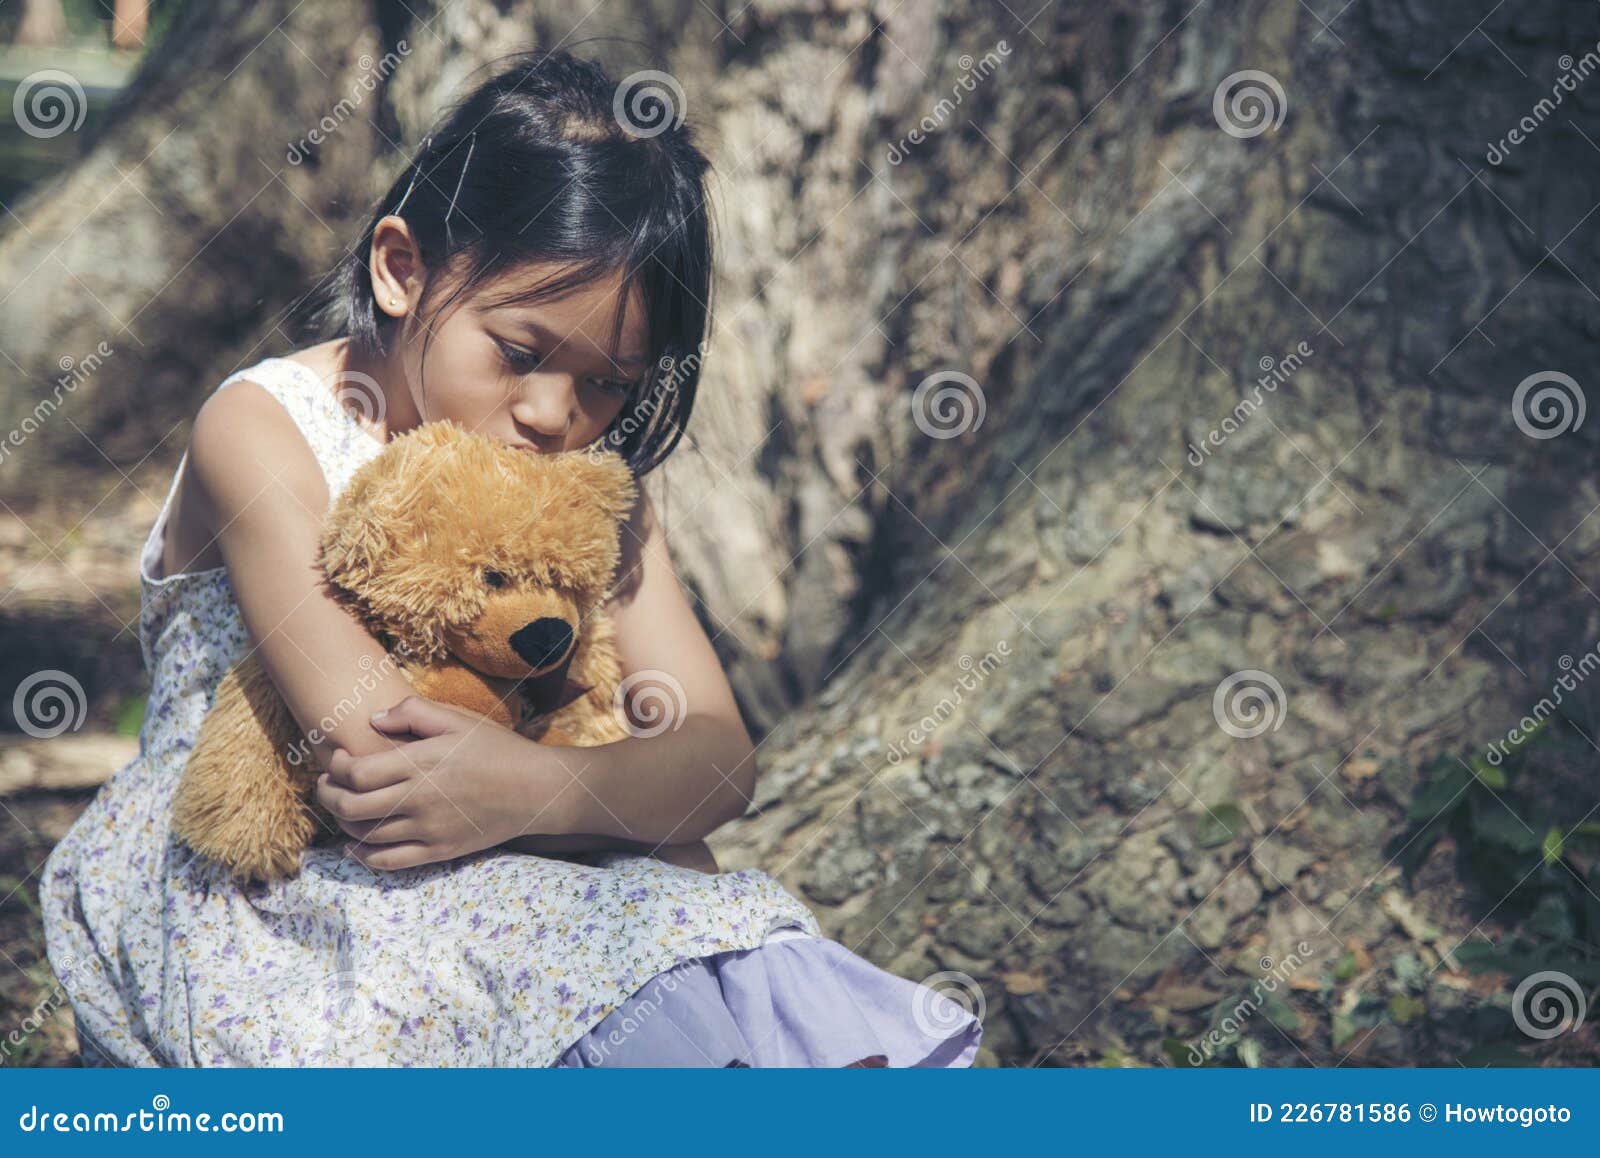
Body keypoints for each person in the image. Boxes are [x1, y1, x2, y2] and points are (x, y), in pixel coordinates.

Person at [40, 48, 982, 1068]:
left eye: (609, 384)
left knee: (689, 937)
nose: (551, 414)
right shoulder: (265, 429)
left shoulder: (586, 488)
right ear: (401, 270)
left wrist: (544, 791)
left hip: (516, 851)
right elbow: (374, 755)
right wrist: (612, 795)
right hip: (283, 889)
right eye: (520, 353)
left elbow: (715, 757)